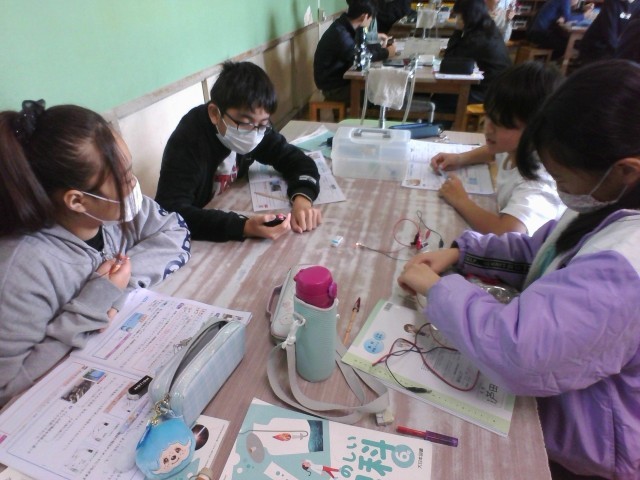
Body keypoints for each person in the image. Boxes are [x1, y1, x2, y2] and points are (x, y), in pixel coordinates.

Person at [398, 59, 640, 479]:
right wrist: (461, 253)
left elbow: (519, 350)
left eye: (563, 179)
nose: (560, 190)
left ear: (625, 171)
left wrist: (438, 289)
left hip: (588, 452)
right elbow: (541, 250)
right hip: (559, 405)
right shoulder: (610, 200)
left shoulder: (625, 271)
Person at [0, 100, 191, 405]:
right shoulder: (24, 268)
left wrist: (121, 285)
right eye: (125, 178)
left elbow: (174, 230)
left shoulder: (117, 212)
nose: (135, 185)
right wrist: (94, 302)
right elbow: (7, 387)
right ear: (78, 201)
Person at [156, 61, 322, 243]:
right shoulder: (189, 140)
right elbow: (170, 211)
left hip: (224, 208)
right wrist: (243, 227)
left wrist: (302, 199)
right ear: (215, 113)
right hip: (193, 238)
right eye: (245, 123)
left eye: (263, 124)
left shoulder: (257, 128)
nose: (254, 134)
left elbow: (297, 160)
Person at [432, 62, 565, 236]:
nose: (487, 128)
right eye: (489, 116)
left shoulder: (537, 183)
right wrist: (459, 158)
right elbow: (492, 152)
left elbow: (507, 233)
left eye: (501, 123)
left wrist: (461, 200)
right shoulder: (513, 146)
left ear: (536, 129)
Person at [313, 0, 397, 105]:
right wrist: (387, 53)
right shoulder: (340, 33)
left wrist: (381, 49)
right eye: (371, 19)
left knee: (381, 90)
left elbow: (362, 49)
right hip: (334, 88)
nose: (370, 23)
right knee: (381, 95)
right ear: (364, 17)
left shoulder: (346, 26)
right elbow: (360, 58)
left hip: (341, 82)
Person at [437, 0, 512, 105]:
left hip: (488, 95)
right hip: (497, 89)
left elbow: (450, 59)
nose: (457, 20)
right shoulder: (487, 28)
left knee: (439, 97)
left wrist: (458, 30)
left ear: (468, 16)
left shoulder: (478, 38)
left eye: (459, 16)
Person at [578, 0, 640, 64]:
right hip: (597, 49)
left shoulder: (638, 5)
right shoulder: (612, 3)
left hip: (616, 50)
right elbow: (610, 34)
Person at [527, 0, 594, 59]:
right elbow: (568, 18)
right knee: (567, 46)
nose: (577, 1)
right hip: (539, 34)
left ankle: (544, 60)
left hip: (535, 32)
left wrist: (582, 9)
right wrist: (585, 15)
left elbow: (568, 13)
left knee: (567, 42)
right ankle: (543, 61)